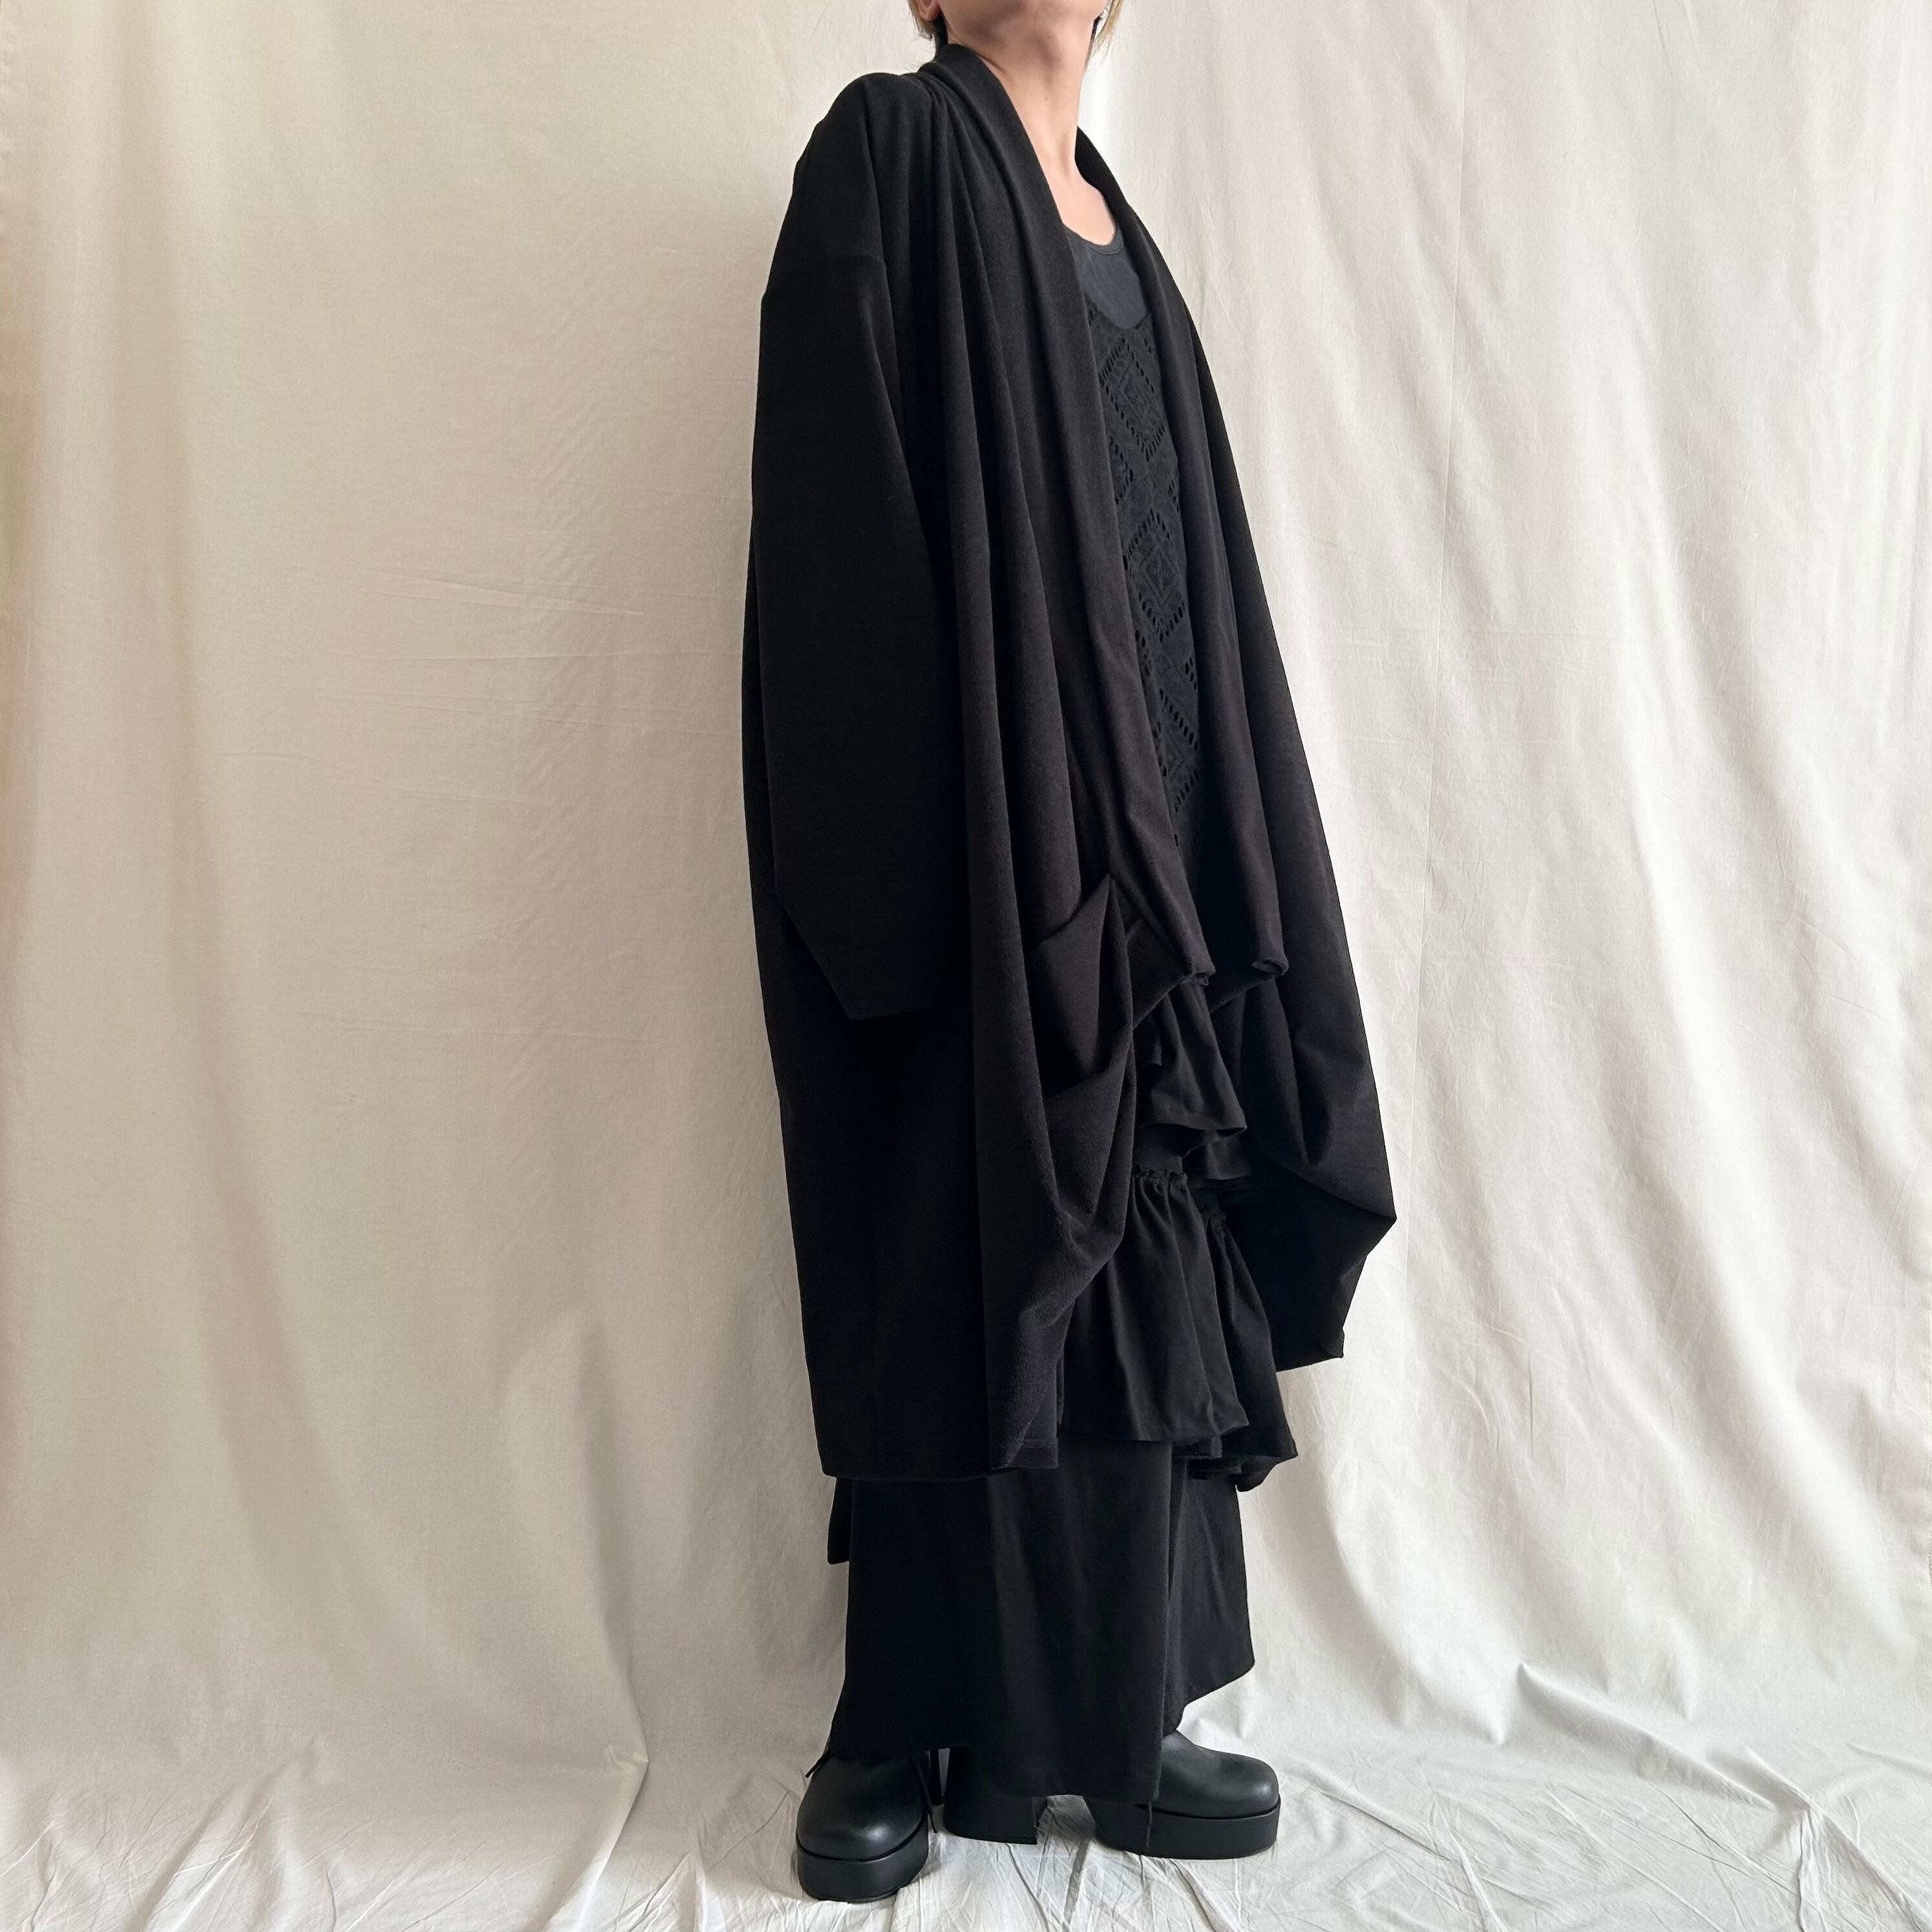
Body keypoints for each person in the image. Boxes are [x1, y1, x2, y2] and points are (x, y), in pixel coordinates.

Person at [740, 0, 1397, 1901]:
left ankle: (1124, 1706)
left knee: (1139, 1234)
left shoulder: (1128, 238)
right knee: (961, 1227)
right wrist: (902, 865)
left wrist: (1215, 848)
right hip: (974, 830)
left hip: (1155, 844)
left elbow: (1186, 558)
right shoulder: (887, 147)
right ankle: (902, 1717)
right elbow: (833, 509)